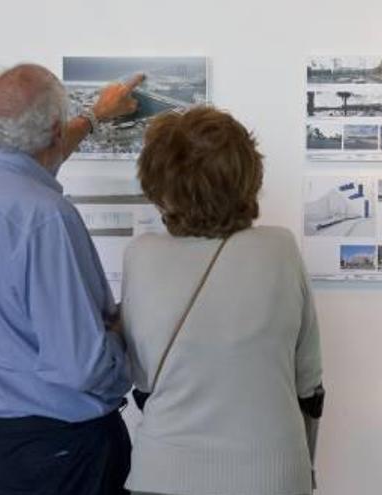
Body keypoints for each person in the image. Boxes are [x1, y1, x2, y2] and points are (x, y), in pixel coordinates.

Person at [0, 63, 144, 494]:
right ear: (52, 127)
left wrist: (95, 117)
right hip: (58, 450)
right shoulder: (45, 217)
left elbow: (33, 158)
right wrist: (124, 339)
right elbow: (83, 365)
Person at [121, 107, 325, 495]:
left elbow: (144, 378)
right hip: (272, 474)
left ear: (159, 183)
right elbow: (308, 381)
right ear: (247, 174)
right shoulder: (279, 248)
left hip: (165, 474)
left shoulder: (141, 254)